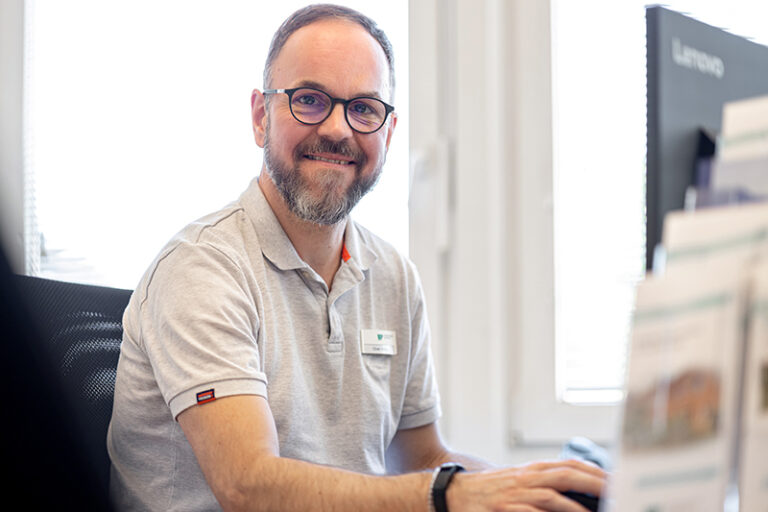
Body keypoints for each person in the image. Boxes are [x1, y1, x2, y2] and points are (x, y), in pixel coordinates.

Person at [107, 4, 606, 511]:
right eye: (310, 100)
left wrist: (534, 488)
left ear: (388, 133)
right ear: (261, 118)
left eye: (364, 108)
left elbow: (423, 460)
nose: (339, 130)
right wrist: (448, 495)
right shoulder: (201, 269)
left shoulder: (392, 276)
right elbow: (248, 487)